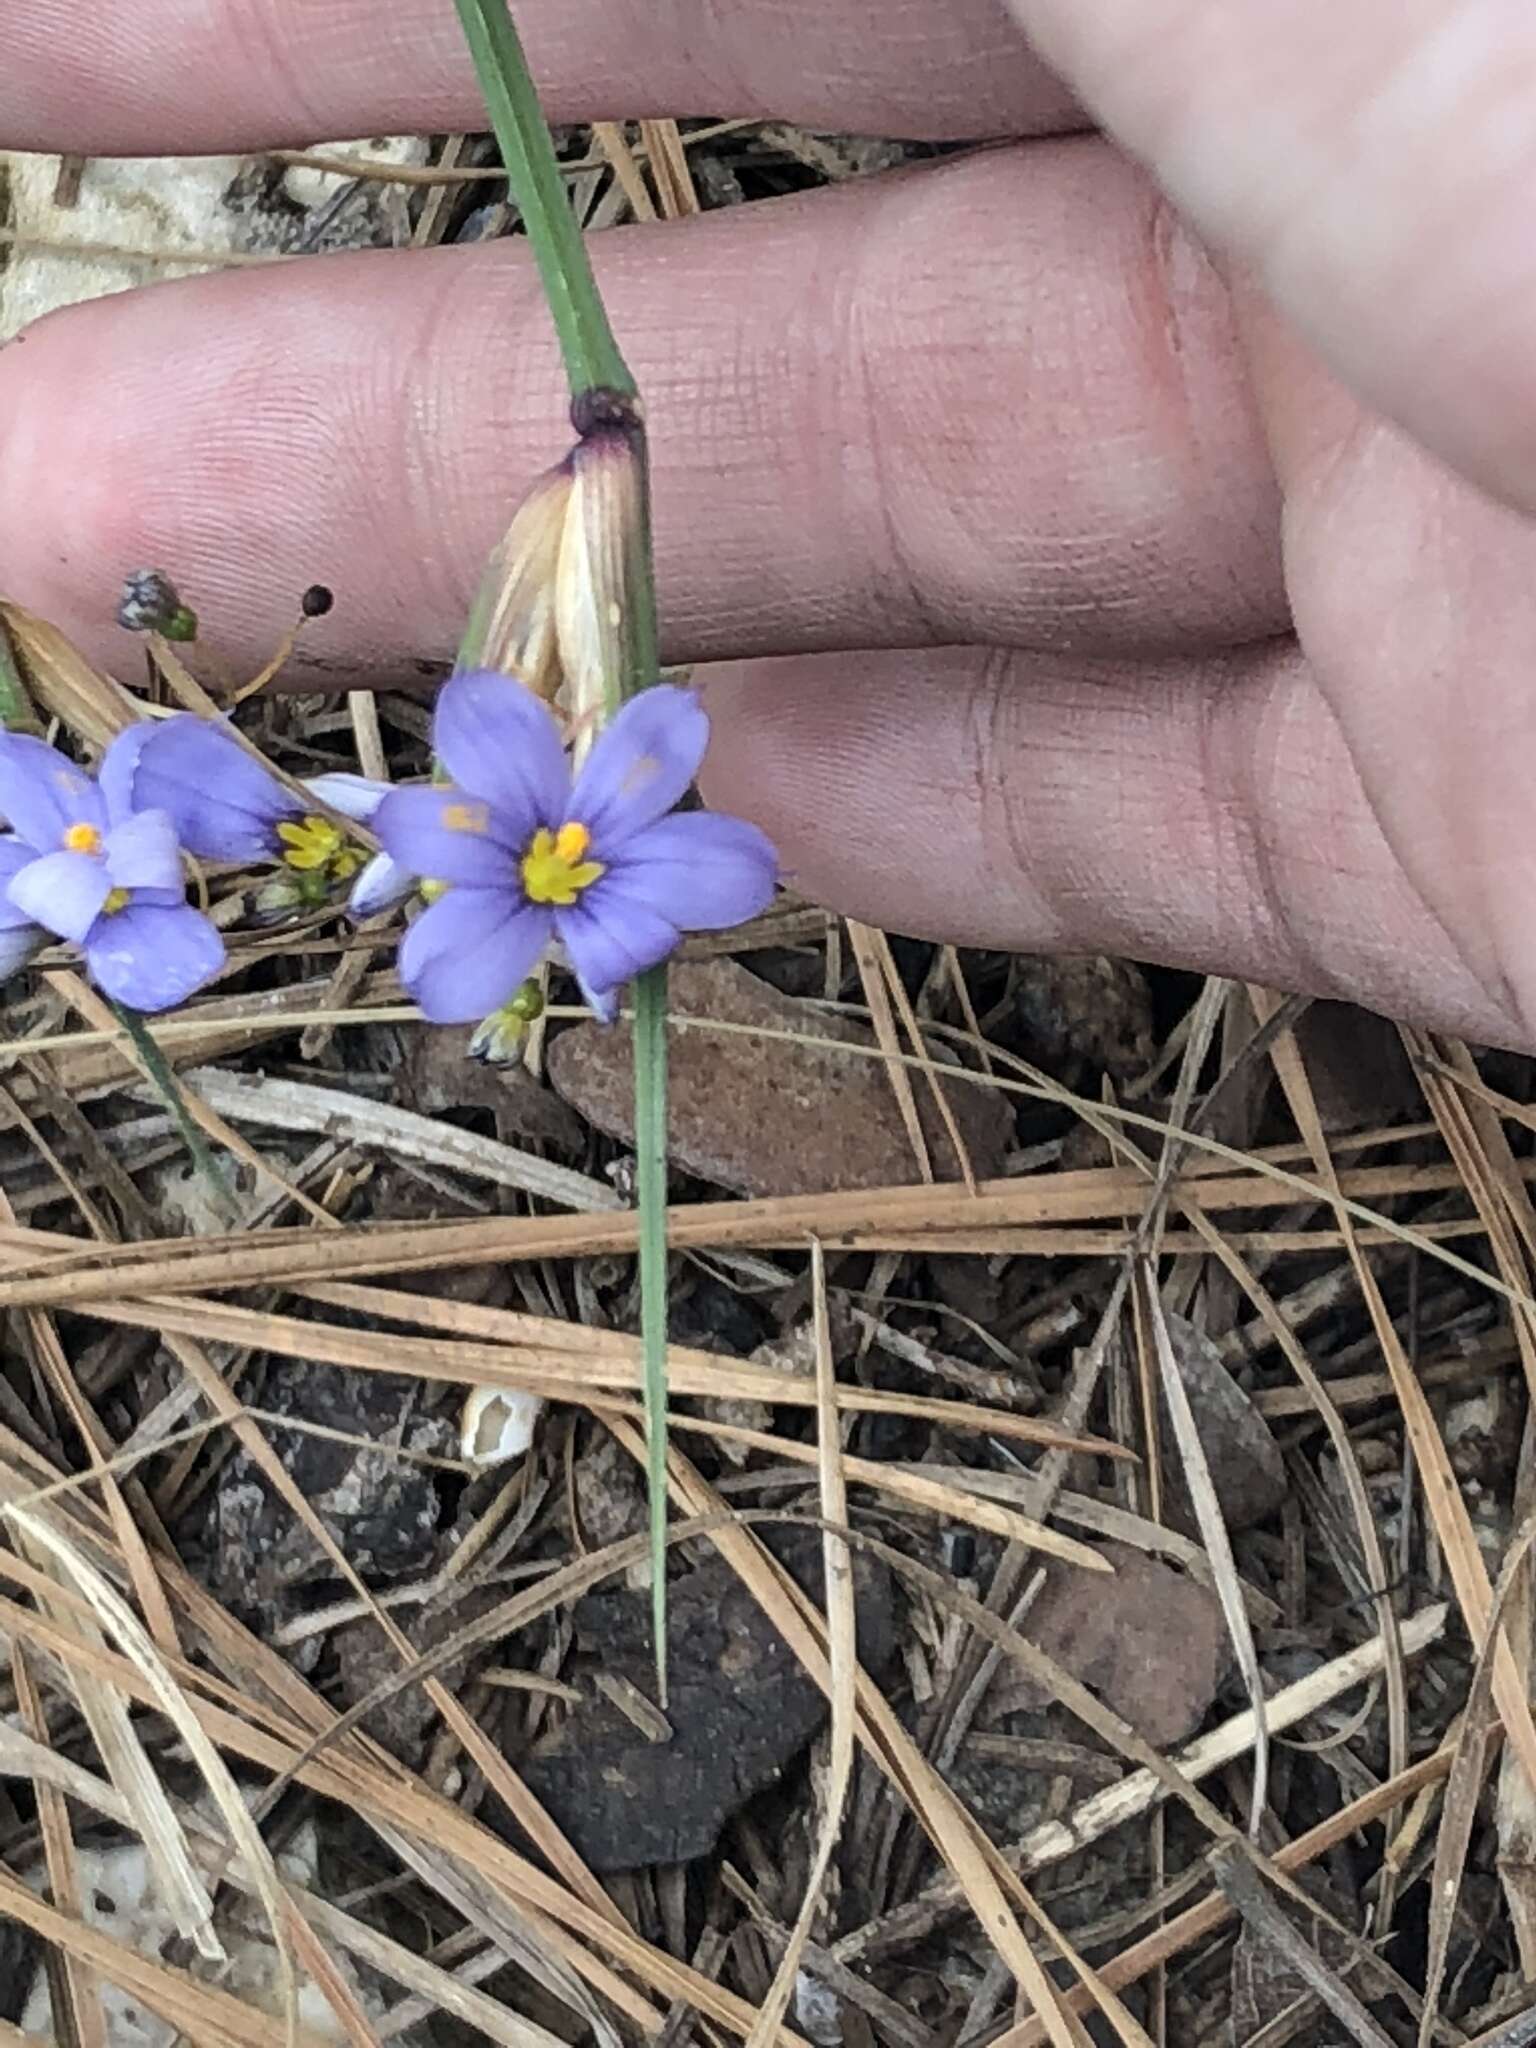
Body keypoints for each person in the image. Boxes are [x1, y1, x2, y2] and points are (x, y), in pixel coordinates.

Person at [3, 0, 1534, 1050]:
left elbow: (520, 767)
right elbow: (508, 799)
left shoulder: (553, 832)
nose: (550, 874)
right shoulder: (535, 846)